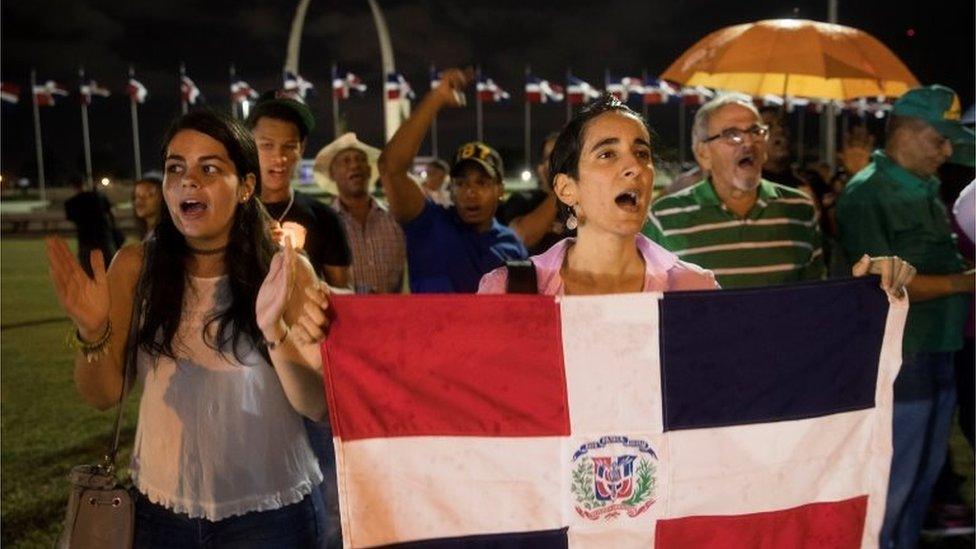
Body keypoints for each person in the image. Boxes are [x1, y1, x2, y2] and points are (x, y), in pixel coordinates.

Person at [46, 111, 331, 547]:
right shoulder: (134, 267)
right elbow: (101, 396)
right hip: (161, 516)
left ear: (247, 187)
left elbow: (315, 404)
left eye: (210, 169)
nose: (188, 181)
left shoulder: (286, 269)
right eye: (175, 168)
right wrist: (91, 331)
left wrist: (275, 330)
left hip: (272, 517)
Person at [836, 84, 976, 549]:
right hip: (901, 359)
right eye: (939, 139)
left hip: (939, 349)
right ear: (907, 132)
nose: (947, 150)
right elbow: (881, 283)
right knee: (891, 487)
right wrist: (966, 282)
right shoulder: (868, 193)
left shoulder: (925, 189)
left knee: (922, 480)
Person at [479, 94, 718, 295]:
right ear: (566, 189)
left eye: (642, 153)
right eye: (607, 154)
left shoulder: (695, 287)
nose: (634, 166)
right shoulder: (507, 289)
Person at [642, 94, 826, 289]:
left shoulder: (799, 208)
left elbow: (816, 295)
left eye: (756, 131)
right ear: (703, 153)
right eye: (732, 134)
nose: (748, 143)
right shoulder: (664, 217)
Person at [378, 67, 528, 293]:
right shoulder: (428, 223)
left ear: (500, 189)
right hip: (432, 330)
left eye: (482, 182)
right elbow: (390, 168)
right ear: (452, 188)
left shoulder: (513, 247)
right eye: (462, 182)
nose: (470, 192)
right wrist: (436, 98)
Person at [247, 91, 352, 288]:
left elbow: (344, 296)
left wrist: (306, 279)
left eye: (289, 146)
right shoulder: (230, 215)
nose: (279, 157)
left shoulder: (325, 218)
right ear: (249, 145)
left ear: (301, 149)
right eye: (267, 145)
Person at [315, 133, 406, 294]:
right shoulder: (323, 223)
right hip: (345, 317)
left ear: (370, 171)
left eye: (360, 160)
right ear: (332, 174)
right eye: (346, 161)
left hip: (393, 315)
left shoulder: (395, 218)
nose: (354, 165)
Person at [496, 131, 577, 255]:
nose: (561, 163)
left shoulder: (585, 202)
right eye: (553, 157)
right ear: (540, 168)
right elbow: (522, 238)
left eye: (566, 157)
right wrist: (561, 188)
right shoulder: (522, 200)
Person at [64, 175, 123, 277]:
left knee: (91, 278)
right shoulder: (99, 196)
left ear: (72, 186)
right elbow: (112, 213)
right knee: (111, 274)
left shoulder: (71, 203)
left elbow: (72, 219)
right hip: (104, 240)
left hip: (86, 243)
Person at [132, 175, 164, 240]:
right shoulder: (147, 232)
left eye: (148, 195)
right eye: (137, 196)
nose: (139, 200)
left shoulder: (166, 235)